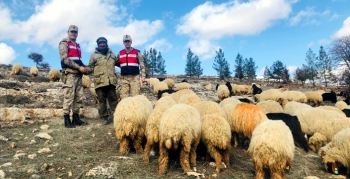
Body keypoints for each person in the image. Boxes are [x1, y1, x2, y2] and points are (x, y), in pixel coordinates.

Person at [58, 25, 88, 128]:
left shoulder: (77, 45)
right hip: (70, 74)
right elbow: (65, 59)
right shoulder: (64, 43)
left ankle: (76, 118)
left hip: (78, 75)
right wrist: (79, 67)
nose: (73, 33)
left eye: (75, 32)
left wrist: (84, 67)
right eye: (72, 32)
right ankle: (67, 120)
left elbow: (78, 60)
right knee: (69, 97)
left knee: (78, 97)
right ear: (68, 32)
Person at [86, 37, 119, 125]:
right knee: (102, 100)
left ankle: (116, 117)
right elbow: (90, 67)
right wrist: (83, 69)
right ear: (98, 44)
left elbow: (119, 63)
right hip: (99, 82)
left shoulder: (112, 54)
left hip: (110, 81)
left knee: (113, 99)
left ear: (106, 43)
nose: (102, 44)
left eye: (104, 43)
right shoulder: (94, 55)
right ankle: (105, 118)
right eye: (100, 43)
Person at [116, 35, 146, 99]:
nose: (127, 43)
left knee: (135, 96)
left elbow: (142, 65)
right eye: (125, 41)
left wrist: (143, 76)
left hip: (134, 78)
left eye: (128, 41)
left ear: (131, 42)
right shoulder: (120, 53)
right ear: (123, 43)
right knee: (124, 97)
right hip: (124, 78)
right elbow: (117, 63)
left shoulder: (136, 52)